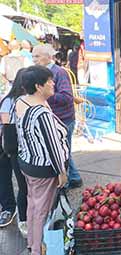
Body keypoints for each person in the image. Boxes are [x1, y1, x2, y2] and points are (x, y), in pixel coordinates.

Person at [14, 65, 69, 255]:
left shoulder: (21, 101)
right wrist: (61, 172)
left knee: (32, 204)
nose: (53, 84)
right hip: (44, 168)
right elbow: (52, 146)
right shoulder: (41, 113)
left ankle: (32, 243)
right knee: (41, 211)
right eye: (49, 81)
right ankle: (37, 249)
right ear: (39, 86)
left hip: (27, 163)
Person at [32, 44, 83, 189]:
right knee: (62, 150)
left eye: (37, 56)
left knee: (62, 151)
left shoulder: (59, 72)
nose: (34, 59)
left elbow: (67, 97)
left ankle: (67, 180)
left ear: (49, 57)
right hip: (51, 118)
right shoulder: (38, 72)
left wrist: (46, 94)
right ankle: (74, 177)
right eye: (33, 56)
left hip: (63, 119)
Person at [0, 69, 28, 237]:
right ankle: (8, 209)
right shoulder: (9, 101)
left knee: (22, 183)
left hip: (17, 147)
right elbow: (7, 127)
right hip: (7, 146)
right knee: (4, 179)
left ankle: (18, 212)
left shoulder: (29, 100)